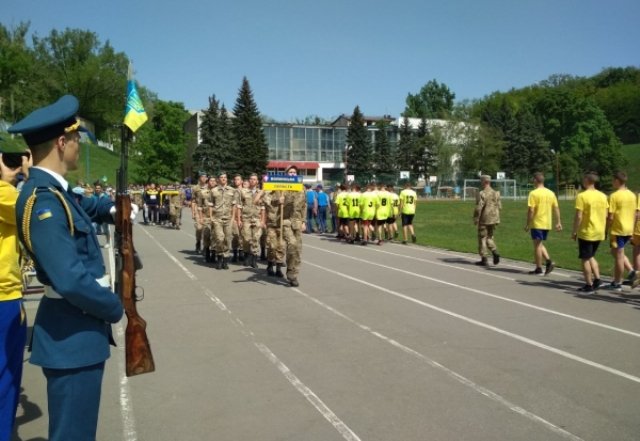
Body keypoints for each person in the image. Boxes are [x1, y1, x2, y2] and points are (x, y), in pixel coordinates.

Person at [9, 95, 124, 441]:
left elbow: (83, 206)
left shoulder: (55, 194)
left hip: (75, 334)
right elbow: (71, 280)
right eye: (76, 138)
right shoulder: (44, 200)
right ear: (62, 142)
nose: (78, 145)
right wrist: (114, 306)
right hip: (71, 337)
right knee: (73, 434)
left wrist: (115, 210)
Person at [0, 139, 30, 440]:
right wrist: (28, 174)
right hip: (3, 298)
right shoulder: (4, 194)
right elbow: (31, 211)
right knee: (6, 379)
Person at [571, 172, 608, 294]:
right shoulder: (603, 196)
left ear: (587, 180)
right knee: (591, 255)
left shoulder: (582, 196)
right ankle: (597, 279)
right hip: (599, 230)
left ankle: (589, 284)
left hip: (587, 231)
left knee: (585, 258)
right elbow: (606, 215)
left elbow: (579, 216)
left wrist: (574, 231)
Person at [524, 172, 562, 275]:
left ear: (536, 180)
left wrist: (528, 223)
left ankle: (539, 267)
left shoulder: (533, 193)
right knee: (539, 244)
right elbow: (556, 208)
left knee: (537, 246)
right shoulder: (551, 193)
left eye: (533, 179)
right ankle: (548, 262)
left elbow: (531, 210)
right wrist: (558, 222)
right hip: (547, 223)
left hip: (537, 222)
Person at [604, 172, 636, 292]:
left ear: (617, 181)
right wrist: (632, 229)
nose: (612, 182)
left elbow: (610, 217)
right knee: (616, 252)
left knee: (618, 256)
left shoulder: (614, 196)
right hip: (628, 228)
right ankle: (632, 271)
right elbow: (634, 214)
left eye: (613, 180)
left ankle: (617, 283)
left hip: (618, 229)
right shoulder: (632, 195)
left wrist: (606, 229)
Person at [237, 173, 264, 268]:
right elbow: (239, 206)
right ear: (249, 181)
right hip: (246, 218)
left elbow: (263, 208)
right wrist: (239, 219)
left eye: (254, 179)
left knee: (256, 238)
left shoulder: (261, 192)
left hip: (257, 218)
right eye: (251, 179)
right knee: (246, 239)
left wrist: (263, 221)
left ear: (257, 181)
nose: (253, 181)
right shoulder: (243, 192)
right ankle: (247, 255)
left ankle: (254, 258)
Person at [473, 175, 501, 266]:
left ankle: (484, 258)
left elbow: (478, 208)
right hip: (494, 218)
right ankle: (494, 251)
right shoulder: (496, 193)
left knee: (482, 238)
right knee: (490, 236)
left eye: (481, 181)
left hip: (484, 218)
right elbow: (500, 206)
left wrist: (476, 218)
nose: (480, 183)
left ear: (484, 182)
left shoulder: (482, 193)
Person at [210, 172, 236, 269]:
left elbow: (234, 205)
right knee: (219, 238)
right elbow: (210, 204)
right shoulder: (213, 191)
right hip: (217, 218)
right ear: (218, 179)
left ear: (227, 179)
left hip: (228, 218)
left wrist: (233, 217)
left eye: (225, 177)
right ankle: (219, 257)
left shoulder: (232, 190)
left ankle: (225, 259)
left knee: (227, 239)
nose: (223, 179)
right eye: (221, 177)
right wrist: (211, 217)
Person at [191, 171, 209, 252]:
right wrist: (193, 213)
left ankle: (206, 246)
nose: (203, 178)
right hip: (198, 209)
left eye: (205, 177)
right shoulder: (195, 188)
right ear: (199, 178)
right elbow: (193, 201)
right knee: (199, 228)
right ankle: (198, 242)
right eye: (202, 177)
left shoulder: (210, 187)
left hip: (207, 210)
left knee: (206, 229)